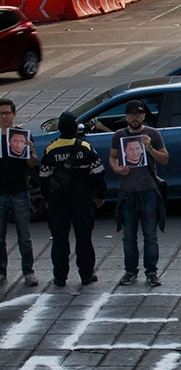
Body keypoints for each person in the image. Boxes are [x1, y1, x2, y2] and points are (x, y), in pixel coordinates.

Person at [39, 111, 107, 287]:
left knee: (59, 239)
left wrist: (47, 198)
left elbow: (44, 177)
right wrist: (100, 194)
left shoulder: (51, 148)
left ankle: (60, 277)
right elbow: (99, 173)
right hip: (82, 200)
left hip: (58, 201)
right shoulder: (85, 147)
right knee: (84, 238)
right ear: (76, 127)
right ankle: (86, 274)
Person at [108, 100, 169, 287]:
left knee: (150, 235)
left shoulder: (152, 134)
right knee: (128, 236)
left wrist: (149, 148)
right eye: (131, 114)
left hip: (148, 191)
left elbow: (165, 159)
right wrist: (117, 169)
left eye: (138, 114)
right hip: (127, 193)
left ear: (143, 116)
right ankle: (130, 271)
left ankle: (151, 271)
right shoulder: (119, 135)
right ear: (126, 116)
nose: (134, 117)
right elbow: (112, 157)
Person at [0, 99, 38, 287]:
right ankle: (1, 271)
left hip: (20, 191)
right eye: (1, 113)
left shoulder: (23, 135)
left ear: (14, 114)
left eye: (7, 113)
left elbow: (32, 163)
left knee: (24, 235)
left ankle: (28, 271)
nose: (4, 116)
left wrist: (31, 151)